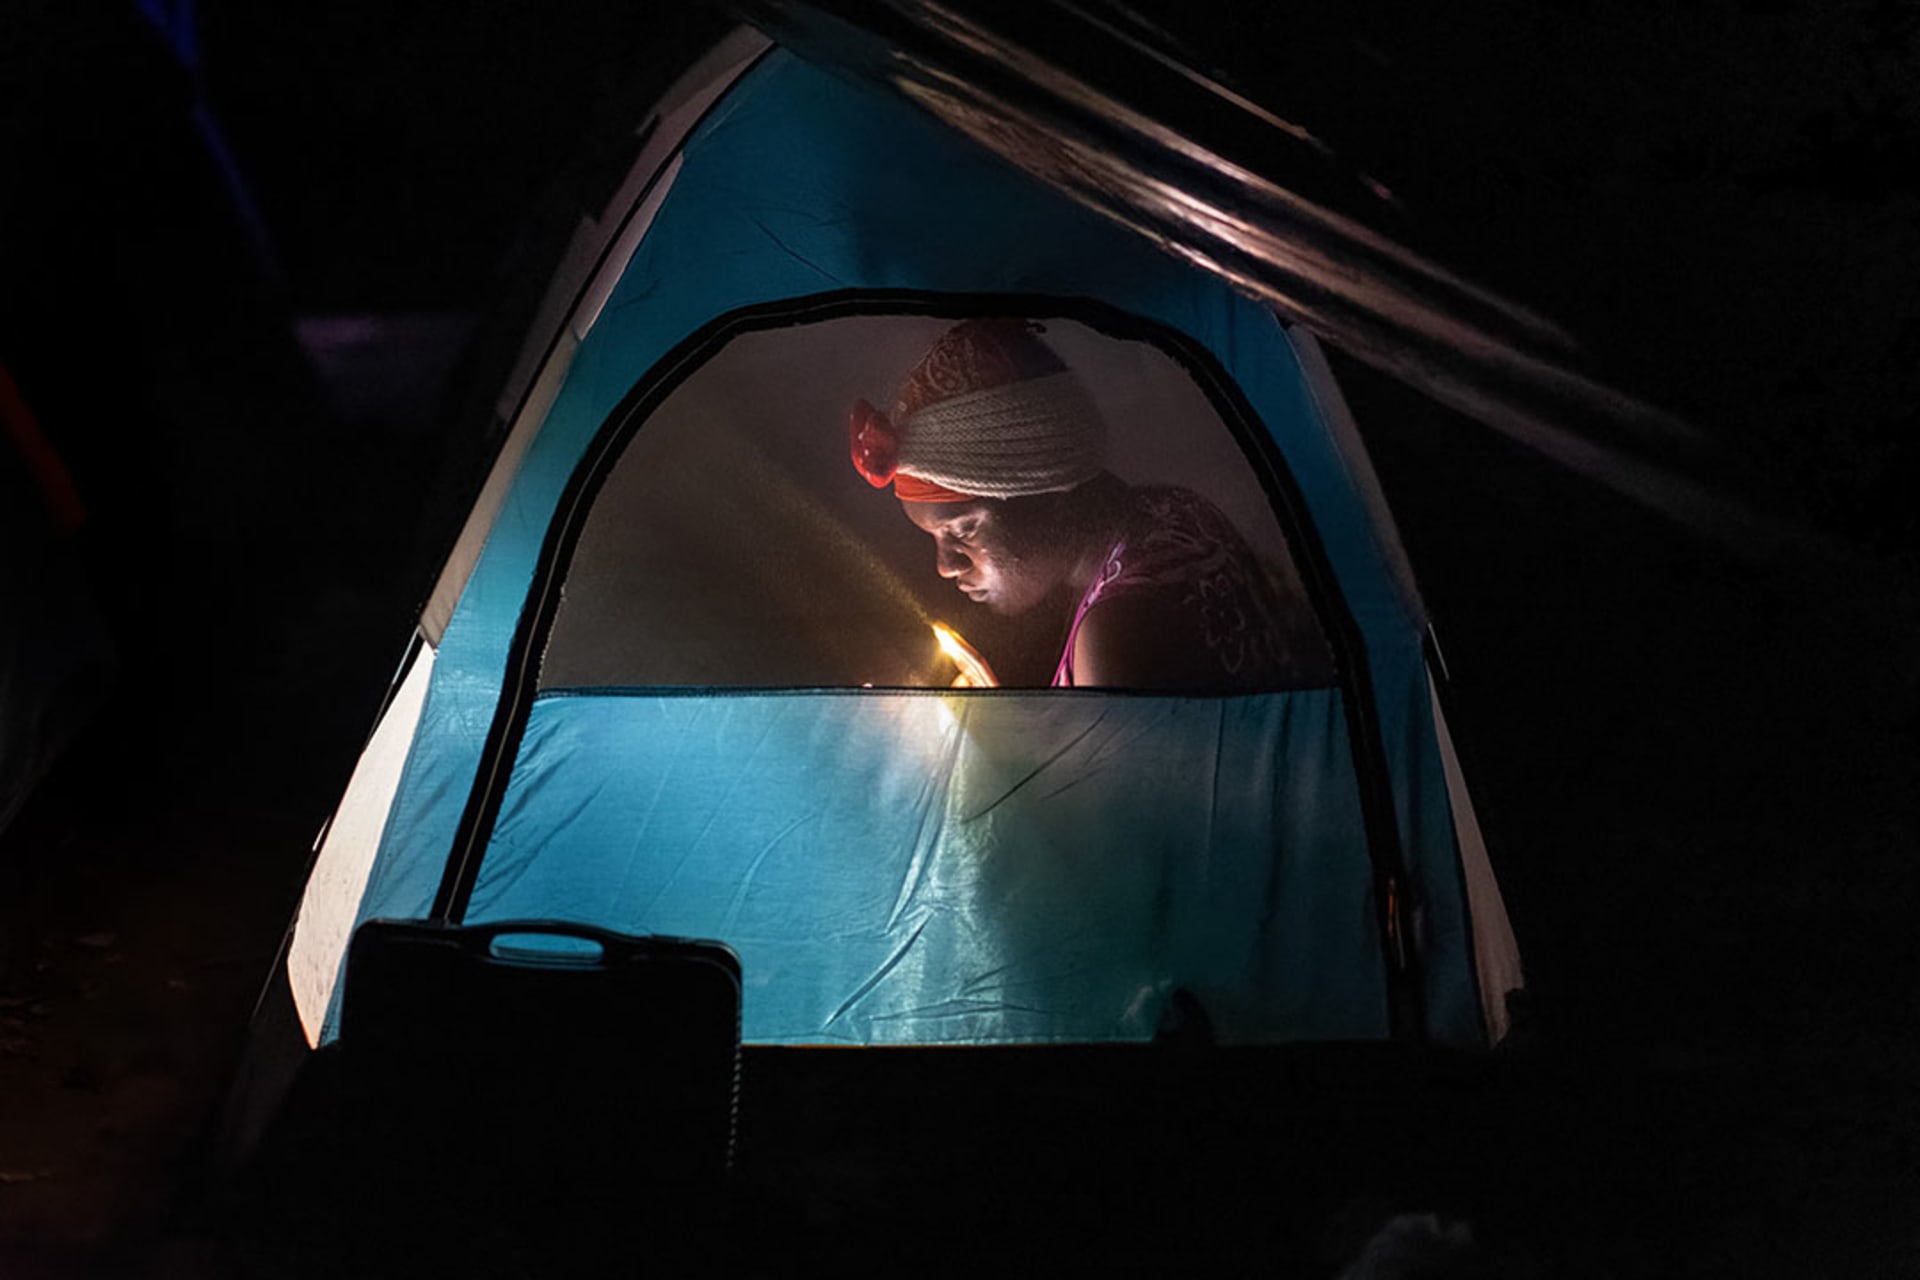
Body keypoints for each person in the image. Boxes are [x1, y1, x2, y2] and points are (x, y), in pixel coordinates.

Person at [849, 318, 1332, 690]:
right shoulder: (1170, 510)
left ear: (1051, 489)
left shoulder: (1117, 636)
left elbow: (1123, 818)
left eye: (962, 530)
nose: (945, 567)